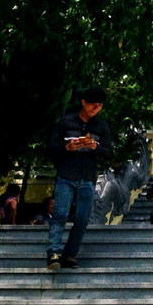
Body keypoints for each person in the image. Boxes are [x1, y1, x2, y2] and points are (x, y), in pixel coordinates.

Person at [46, 86, 112, 270]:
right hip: (66, 175)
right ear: (84, 102)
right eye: (93, 105)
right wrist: (67, 148)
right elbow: (52, 148)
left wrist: (95, 147)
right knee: (59, 214)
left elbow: (108, 152)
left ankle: (69, 255)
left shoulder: (101, 126)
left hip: (87, 177)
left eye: (99, 106)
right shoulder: (66, 122)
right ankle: (54, 252)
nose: (96, 109)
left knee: (82, 219)